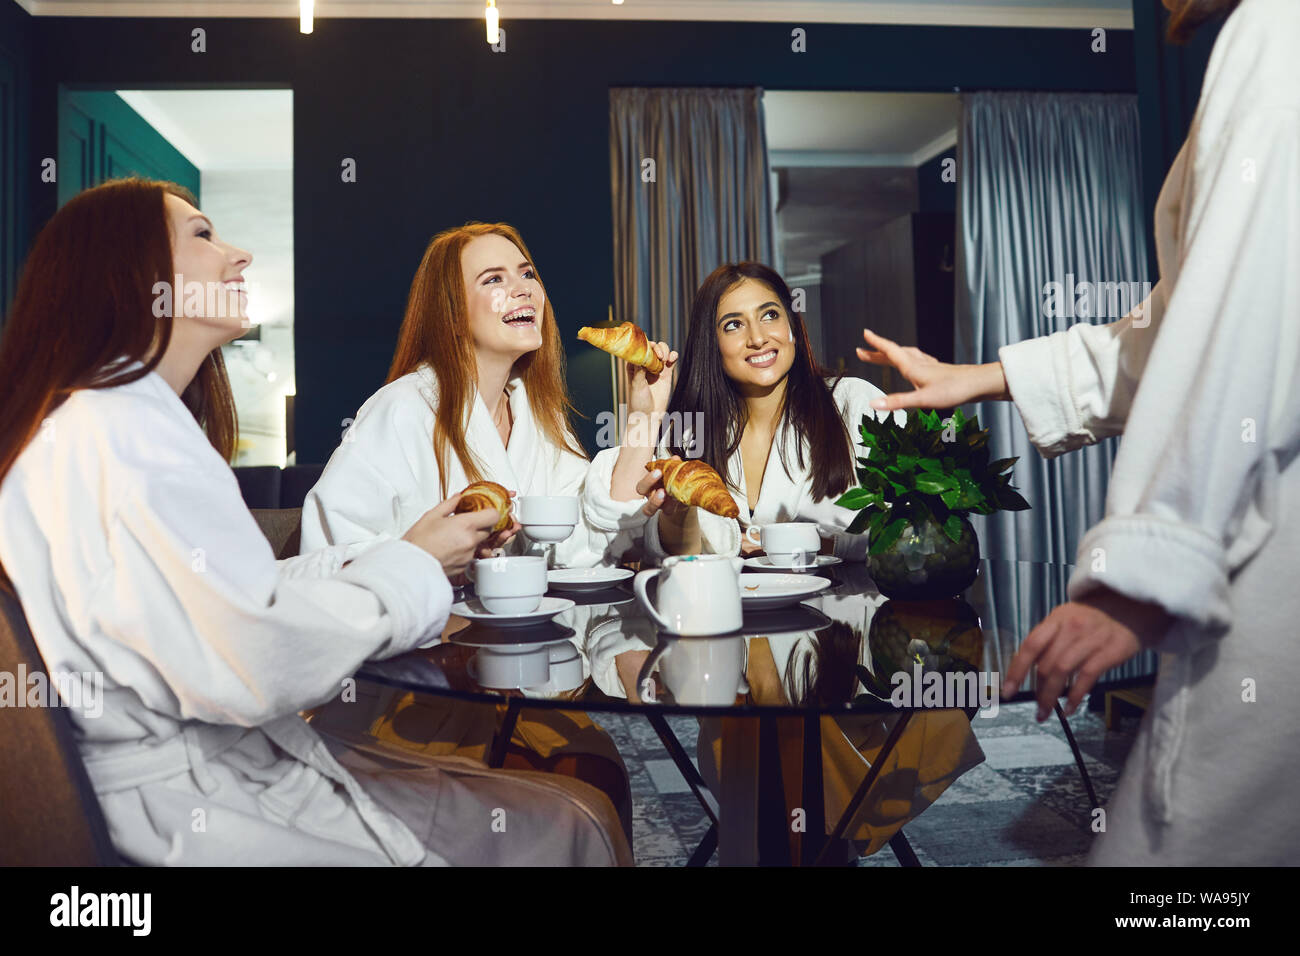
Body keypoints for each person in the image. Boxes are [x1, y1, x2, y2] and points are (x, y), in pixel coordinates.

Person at [0, 178, 630, 865]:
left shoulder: (120, 423)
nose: (239, 255)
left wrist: (411, 552)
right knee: (575, 819)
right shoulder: (118, 435)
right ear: (128, 272)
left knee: (579, 796)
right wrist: (414, 564)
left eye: (528, 273)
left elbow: (236, 603)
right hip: (207, 799)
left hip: (230, 760)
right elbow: (255, 651)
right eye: (205, 235)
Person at [857, 0, 1299, 865]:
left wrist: (1151, 564)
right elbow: (1167, 328)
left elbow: (1238, 322)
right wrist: (975, 380)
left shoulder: (1280, 29)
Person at [298, 222, 677, 844]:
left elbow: (591, 535)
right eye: (493, 279)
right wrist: (428, 556)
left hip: (518, 691)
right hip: (408, 702)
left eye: (527, 273)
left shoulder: (536, 413)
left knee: (595, 766)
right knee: (576, 786)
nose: (521, 288)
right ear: (451, 310)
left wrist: (643, 417)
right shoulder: (402, 410)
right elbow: (326, 556)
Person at [607, 261, 902, 561]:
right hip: (729, 606)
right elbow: (681, 555)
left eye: (770, 315)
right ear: (712, 343)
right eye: (733, 324)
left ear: (793, 328)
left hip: (844, 604)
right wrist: (676, 516)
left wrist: (779, 546)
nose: (758, 338)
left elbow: (911, 528)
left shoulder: (855, 403)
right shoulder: (686, 431)